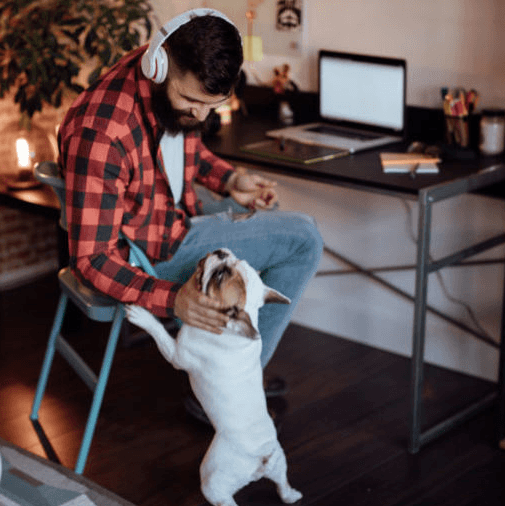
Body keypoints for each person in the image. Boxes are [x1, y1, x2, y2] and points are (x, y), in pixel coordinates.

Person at [57, 9, 322, 413]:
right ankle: (234, 392)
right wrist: (170, 299)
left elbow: (181, 146)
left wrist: (230, 180)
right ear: (159, 67)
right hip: (147, 253)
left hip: (167, 214)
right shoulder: (102, 133)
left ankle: (222, 371)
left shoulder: (159, 80)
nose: (200, 115)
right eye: (192, 100)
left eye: (211, 105)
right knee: (303, 237)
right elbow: (91, 259)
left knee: (273, 216)